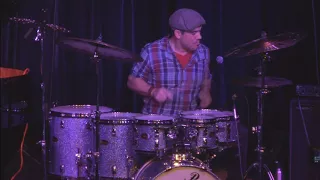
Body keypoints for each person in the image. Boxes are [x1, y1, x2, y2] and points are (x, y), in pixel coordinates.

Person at [127, 8, 212, 116]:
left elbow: (206, 77)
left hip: (189, 124)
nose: (200, 37)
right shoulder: (152, 51)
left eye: (200, 31)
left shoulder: (203, 52)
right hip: (157, 124)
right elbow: (132, 81)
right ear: (178, 34)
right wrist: (153, 91)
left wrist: (205, 91)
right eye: (194, 33)